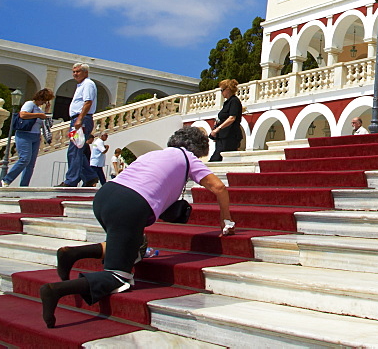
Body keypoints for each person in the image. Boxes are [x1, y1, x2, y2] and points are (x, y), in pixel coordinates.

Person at [39, 125, 233, 328]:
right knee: (118, 276)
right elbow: (219, 187)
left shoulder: (154, 154)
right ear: (198, 149)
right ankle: (55, 291)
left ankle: (71, 254)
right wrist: (225, 220)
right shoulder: (188, 159)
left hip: (105, 197)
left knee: (133, 245)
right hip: (129, 206)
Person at [1, 88, 54, 187]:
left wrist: (46, 112)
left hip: (35, 136)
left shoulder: (39, 109)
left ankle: (24, 185)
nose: (44, 102)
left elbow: (47, 124)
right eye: (45, 100)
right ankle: (7, 179)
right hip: (24, 135)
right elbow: (23, 114)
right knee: (24, 159)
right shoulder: (30, 104)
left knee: (30, 164)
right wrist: (39, 115)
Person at [57, 63, 97, 187]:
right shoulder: (81, 85)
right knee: (77, 150)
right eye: (74, 72)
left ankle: (71, 180)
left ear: (85, 72)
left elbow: (88, 102)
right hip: (78, 119)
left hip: (81, 120)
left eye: (78, 71)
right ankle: (90, 176)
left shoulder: (88, 84)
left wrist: (79, 119)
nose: (75, 74)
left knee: (74, 150)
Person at [208, 79, 242, 162]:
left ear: (227, 89)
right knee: (217, 157)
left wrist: (218, 129)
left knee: (217, 158)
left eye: (222, 90)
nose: (221, 93)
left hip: (230, 136)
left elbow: (232, 118)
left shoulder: (234, 101)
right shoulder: (227, 102)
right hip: (223, 136)